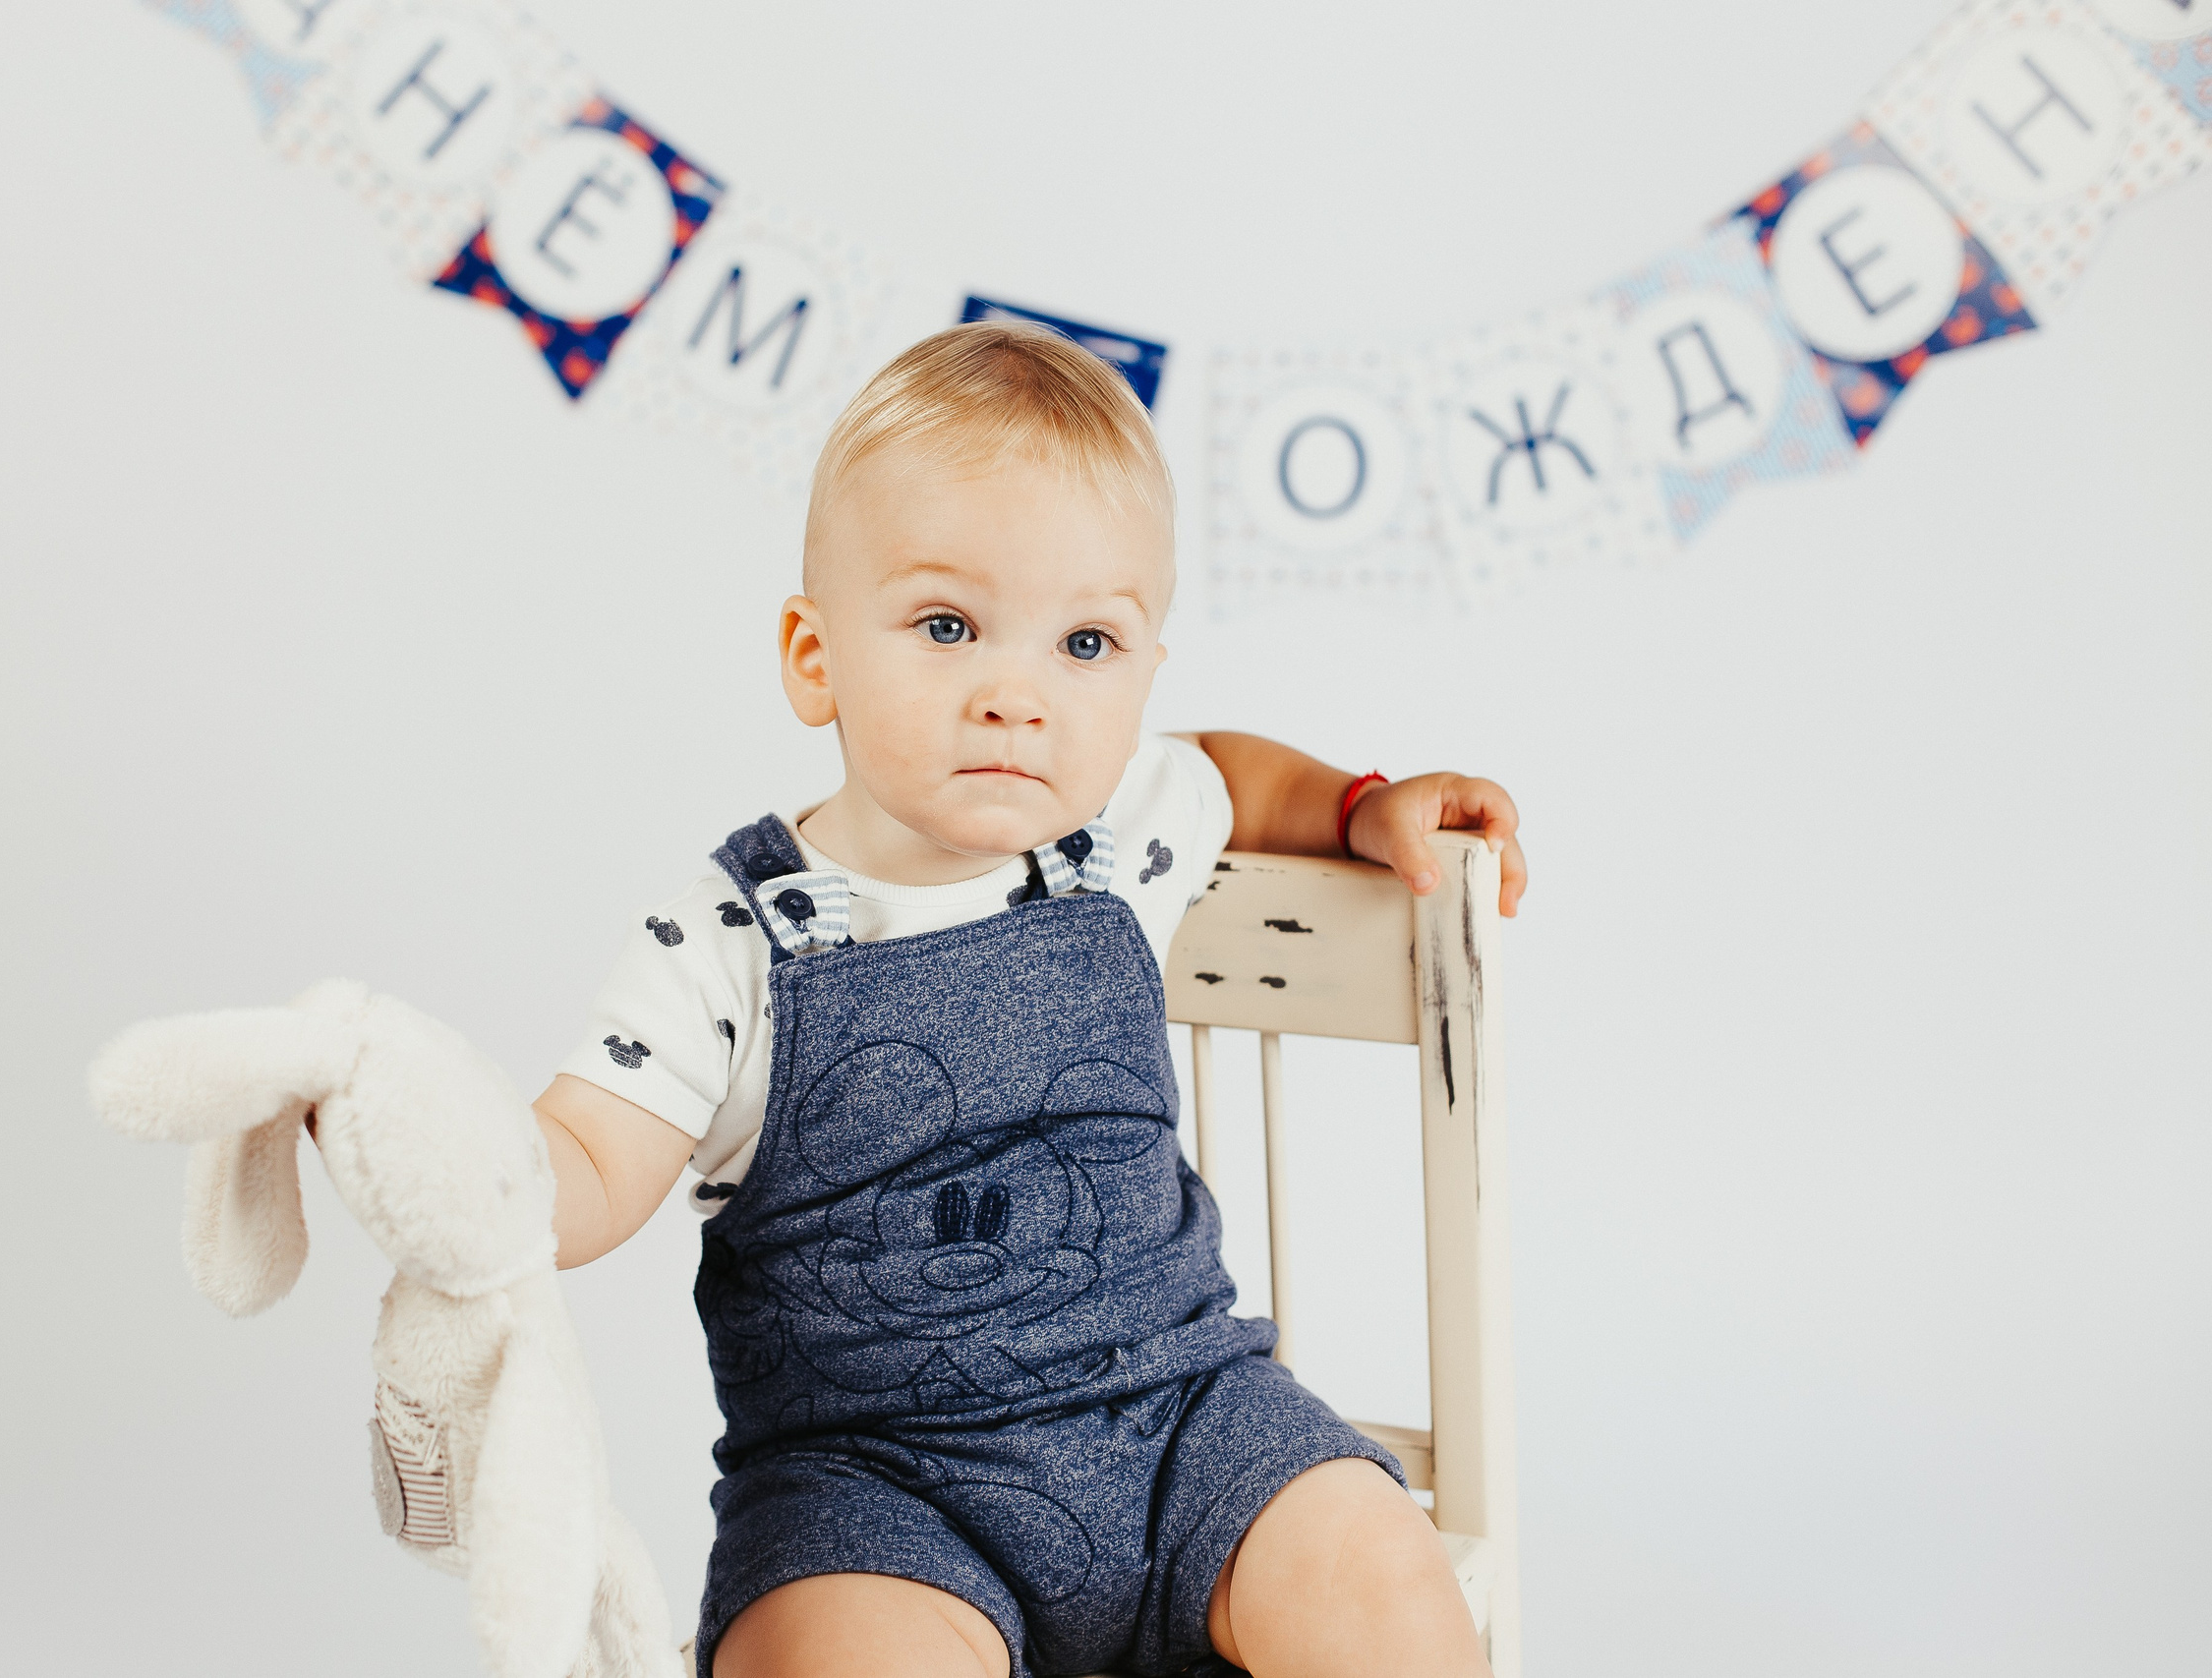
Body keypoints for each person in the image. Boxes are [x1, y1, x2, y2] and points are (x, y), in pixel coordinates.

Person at [535, 320, 1527, 1678]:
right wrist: (464, 1168)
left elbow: (1237, 771)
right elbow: (594, 1156)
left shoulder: (1127, 825)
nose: (1018, 695)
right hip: (880, 1494)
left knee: (1380, 1574)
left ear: (1141, 673)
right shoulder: (732, 934)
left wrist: (1361, 806)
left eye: (1085, 644)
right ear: (814, 654)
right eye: (948, 627)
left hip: (1187, 1431)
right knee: (826, 1657)